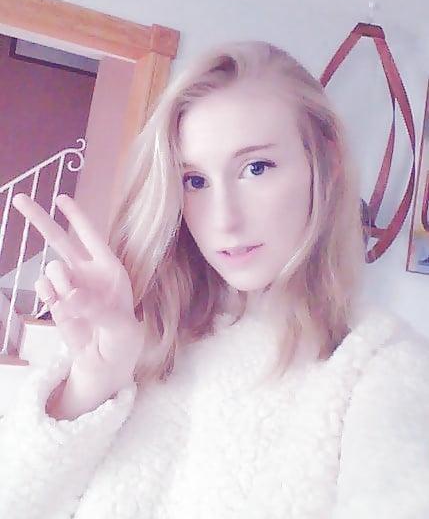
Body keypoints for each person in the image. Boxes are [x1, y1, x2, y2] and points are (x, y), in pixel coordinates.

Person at [1, 40, 429, 519]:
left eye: (256, 168)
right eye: (196, 181)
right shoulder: (139, 332)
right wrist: (93, 380)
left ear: (324, 162)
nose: (224, 219)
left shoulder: (379, 365)